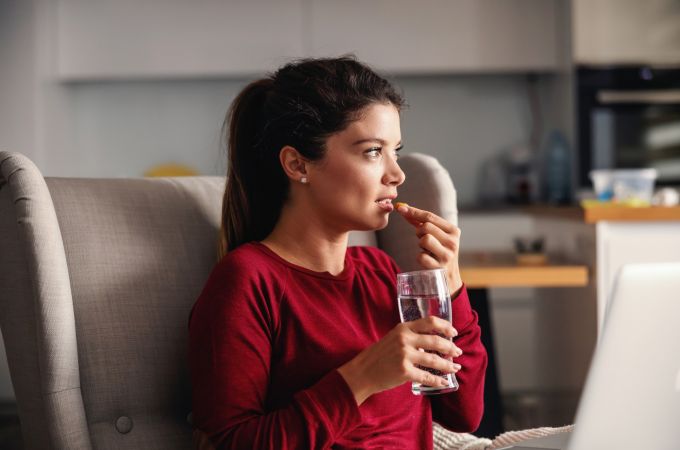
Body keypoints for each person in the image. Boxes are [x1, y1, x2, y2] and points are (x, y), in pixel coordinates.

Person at [188, 56, 487, 449]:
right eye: (372, 152)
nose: (397, 174)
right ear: (298, 164)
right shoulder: (247, 280)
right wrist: (362, 377)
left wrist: (450, 285)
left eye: (395, 150)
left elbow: (462, 414)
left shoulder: (381, 272)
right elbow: (232, 442)